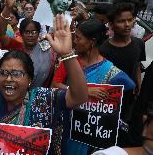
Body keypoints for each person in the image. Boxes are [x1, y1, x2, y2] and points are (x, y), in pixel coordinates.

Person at [0, 4, 88, 155]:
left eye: (17, 74)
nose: (9, 79)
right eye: (3, 73)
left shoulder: (43, 98)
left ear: (30, 79)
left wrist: (68, 54)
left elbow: (79, 97)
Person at [51, 19, 135, 155]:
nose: (75, 41)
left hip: (92, 132)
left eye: (78, 38)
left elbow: (129, 87)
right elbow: (55, 85)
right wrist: (86, 91)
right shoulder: (71, 60)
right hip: (67, 124)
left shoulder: (110, 70)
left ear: (93, 41)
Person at [99, 2, 146, 147]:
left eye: (130, 20)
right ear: (111, 25)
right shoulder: (103, 48)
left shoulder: (139, 44)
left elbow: (137, 65)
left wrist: (139, 86)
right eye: (121, 21)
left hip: (129, 100)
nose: (127, 24)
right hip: (107, 101)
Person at [0, 0, 57, 88]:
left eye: (34, 32)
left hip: (38, 96)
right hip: (14, 93)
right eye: (27, 32)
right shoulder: (14, 46)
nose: (30, 35)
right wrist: (7, 8)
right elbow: (1, 30)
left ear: (39, 33)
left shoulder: (47, 50)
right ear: (21, 33)